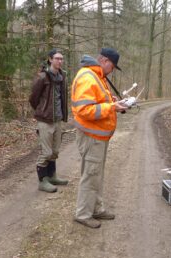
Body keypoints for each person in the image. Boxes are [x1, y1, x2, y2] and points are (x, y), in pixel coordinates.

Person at [71, 48, 128, 228]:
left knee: (96, 175)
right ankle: (83, 214)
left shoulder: (98, 77)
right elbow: (85, 110)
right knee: (91, 175)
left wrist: (115, 103)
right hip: (91, 136)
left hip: (98, 136)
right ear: (103, 60)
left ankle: (96, 208)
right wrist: (112, 108)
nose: (112, 70)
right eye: (112, 65)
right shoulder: (87, 77)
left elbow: (100, 100)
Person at [29, 49, 69, 193]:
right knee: (46, 152)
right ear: (50, 59)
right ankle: (42, 181)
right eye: (57, 58)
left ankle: (52, 176)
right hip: (45, 120)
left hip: (58, 119)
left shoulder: (62, 76)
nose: (60, 61)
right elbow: (33, 98)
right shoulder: (42, 77)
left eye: (61, 59)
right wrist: (42, 111)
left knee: (55, 151)